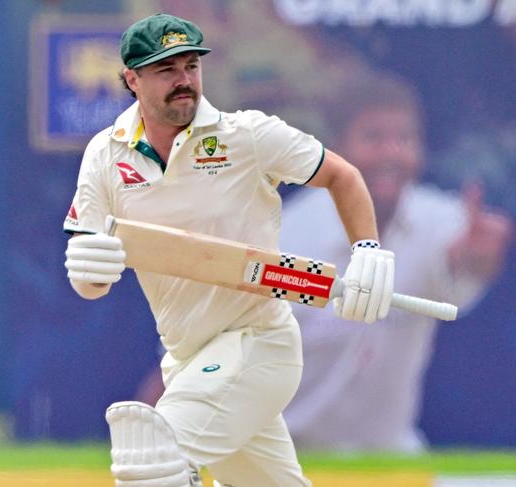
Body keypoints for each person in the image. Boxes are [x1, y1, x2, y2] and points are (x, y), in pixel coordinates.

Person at [63, 13, 395, 487]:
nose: (184, 81)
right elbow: (91, 280)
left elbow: (342, 176)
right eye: (166, 70)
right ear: (132, 79)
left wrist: (366, 248)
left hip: (258, 343)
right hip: (187, 358)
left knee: (154, 459)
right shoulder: (106, 154)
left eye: (191, 66)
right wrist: (90, 267)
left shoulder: (248, 135)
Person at [279, 73, 513, 453]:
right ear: (335, 152)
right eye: (373, 138)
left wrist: (480, 261)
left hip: (390, 457)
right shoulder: (289, 236)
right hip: (290, 457)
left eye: (404, 138)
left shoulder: (443, 220)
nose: (392, 153)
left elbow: (462, 276)